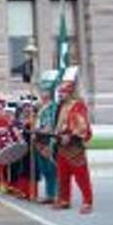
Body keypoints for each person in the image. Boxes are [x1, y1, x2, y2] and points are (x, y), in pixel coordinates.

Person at [53, 66, 93, 214]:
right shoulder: (61, 106)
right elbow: (58, 123)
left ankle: (87, 201)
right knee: (62, 176)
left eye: (62, 93)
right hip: (62, 146)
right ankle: (64, 200)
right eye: (60, 92)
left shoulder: (78, 105)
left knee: (81, 176)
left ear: (69, 93)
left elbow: (82, 125)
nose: (60, 95)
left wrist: (70, 135)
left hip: (75, 145)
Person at [34, 70, 60, 204]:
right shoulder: (40, 107)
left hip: (49, 140)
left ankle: (56, 194)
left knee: (52, 169)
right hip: (39, 140)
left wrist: (43, 130)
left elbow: (51, 125)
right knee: (44, 170)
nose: (42, 94)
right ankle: (49, 194)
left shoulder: (53, 107)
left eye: (44, 91)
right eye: (41, 91)